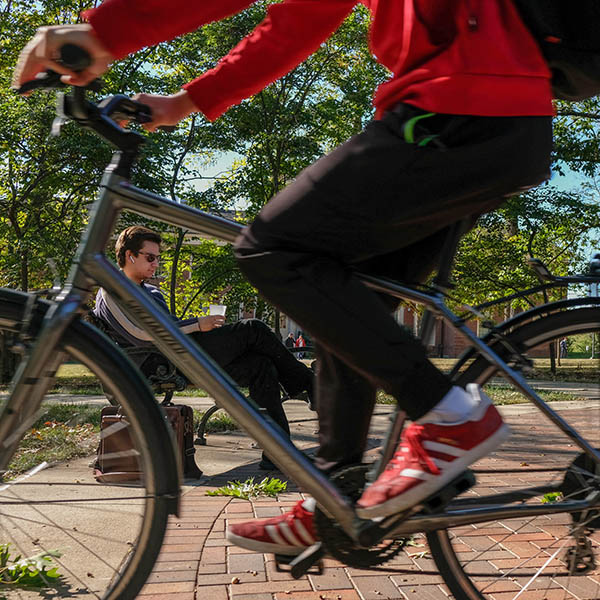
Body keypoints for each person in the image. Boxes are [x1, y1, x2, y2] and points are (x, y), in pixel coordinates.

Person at [15, 0, 553, 557]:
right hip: (491, 119)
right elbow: (299, 20)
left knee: (273, 247)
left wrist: (99, 33)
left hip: (457, 110)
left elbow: (291, 19)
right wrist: (188, 100)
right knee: (345, 304)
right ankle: (334, 500)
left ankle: (449, 417)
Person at [94, 226, 315, 471]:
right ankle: (309, 384)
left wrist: (199, 326)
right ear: (129, 256)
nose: (156, 263)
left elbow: (169, 326)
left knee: (260, 366)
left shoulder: (152, 292)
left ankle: (279, 453)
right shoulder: (111, 291)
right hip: (159, 363)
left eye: (158, 258)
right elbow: (142, 336)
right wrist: (197, 324)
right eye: (150, 257)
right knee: (253, 328)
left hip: (182, 354)